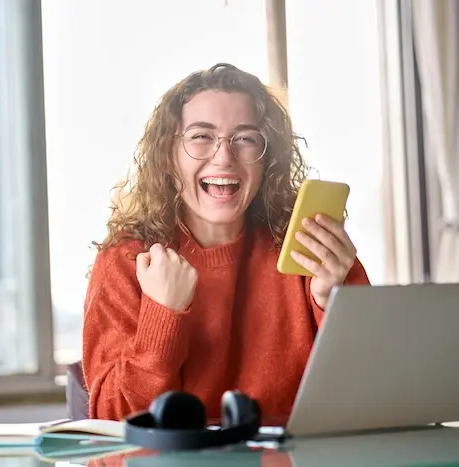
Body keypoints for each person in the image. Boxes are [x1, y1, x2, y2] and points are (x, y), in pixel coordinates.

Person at [82, 63, 370, 423]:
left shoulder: (312, 250)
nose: (224, 157)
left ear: (268, 158)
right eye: (201, 136)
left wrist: (333, 302)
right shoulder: (126, 262)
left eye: (246, 138)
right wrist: (162, 316)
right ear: (168, 155)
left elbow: (370, 397)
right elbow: (110, 425)